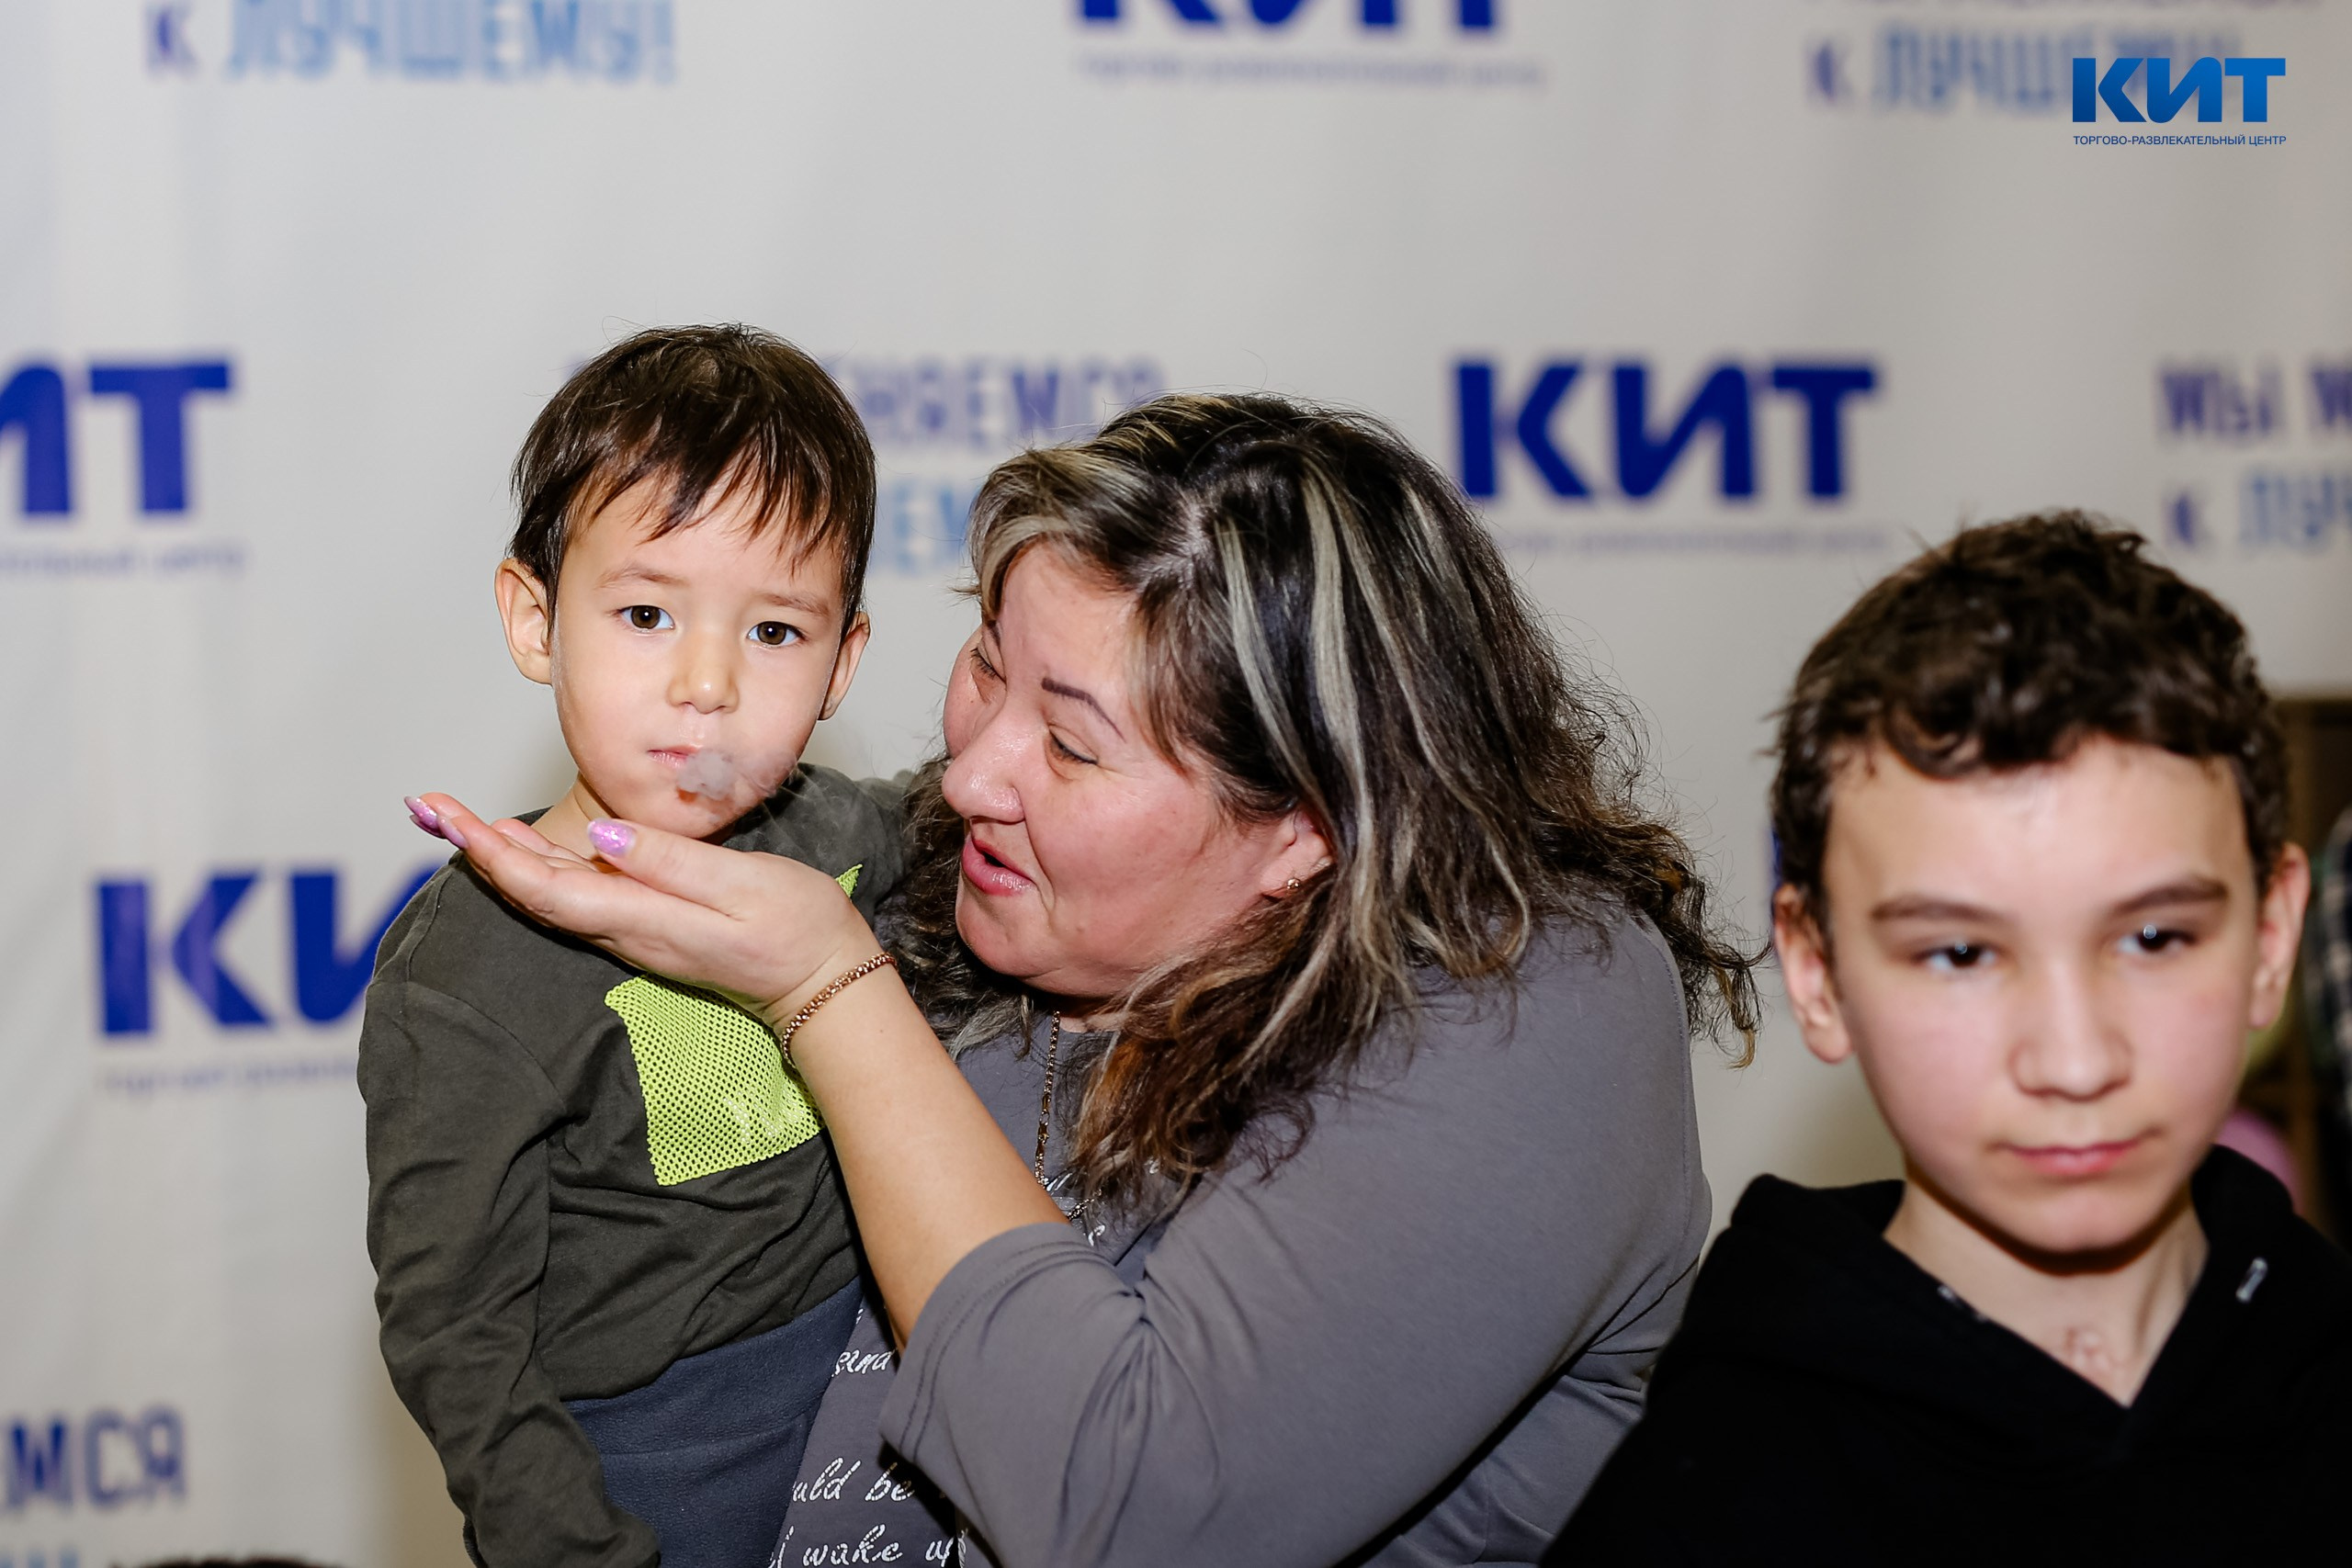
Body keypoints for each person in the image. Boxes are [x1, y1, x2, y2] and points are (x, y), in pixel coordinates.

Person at [411, 392, 1760, 1567]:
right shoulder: (959, 885)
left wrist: (831, 989)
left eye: (1068, 742)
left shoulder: (1525, 991)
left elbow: (1132, 1516)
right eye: (986, 662)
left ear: (1307, 822)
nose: (974, 769)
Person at [1556, 513, 2352, 1562]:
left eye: (2154, 937)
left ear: (2269, 940)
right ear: (1818, 972)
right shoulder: (1709, 1499)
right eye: (1959, 955)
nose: (2073, 1062)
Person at [364, 324, 904, 1568]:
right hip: (649, 1475)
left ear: (842, 663)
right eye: (649, 611)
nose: (707, 682)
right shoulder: (467, 972)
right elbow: (460, 1335)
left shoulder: (853, 833)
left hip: (883, 1432)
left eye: (775, 632)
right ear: (536, 617)